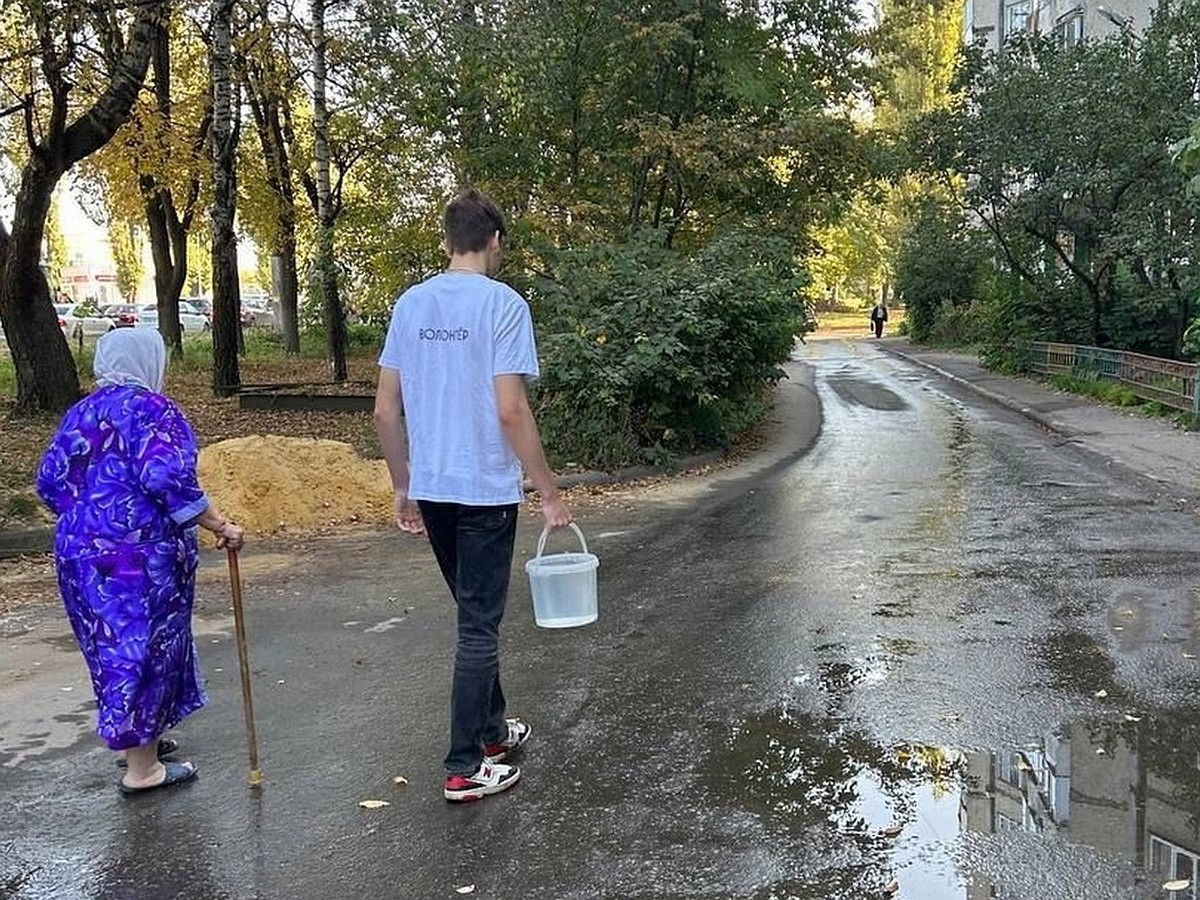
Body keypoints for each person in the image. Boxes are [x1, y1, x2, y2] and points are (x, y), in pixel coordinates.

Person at [374, 188, 572, 803]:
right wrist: (547, 489)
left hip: (433, 488)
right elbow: (511, 409)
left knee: (472, 615)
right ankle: (463, 767)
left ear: (445, 242)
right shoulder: (504, 306)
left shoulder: (411, 304)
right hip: (484, 489)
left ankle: (491, 732)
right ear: (495, 242)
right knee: (480, 627)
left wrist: (402, 484)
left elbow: (385, 410)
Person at [36, 328, 245, 796]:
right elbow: (167, 477)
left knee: (111, 650)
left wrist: (89, 518)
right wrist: (218, 524)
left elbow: (49, 481)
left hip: (79, 555)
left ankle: (140, 744)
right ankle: (143, 770)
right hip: (137, 558)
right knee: (143, 650)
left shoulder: (82, 411)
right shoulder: (152, 410)